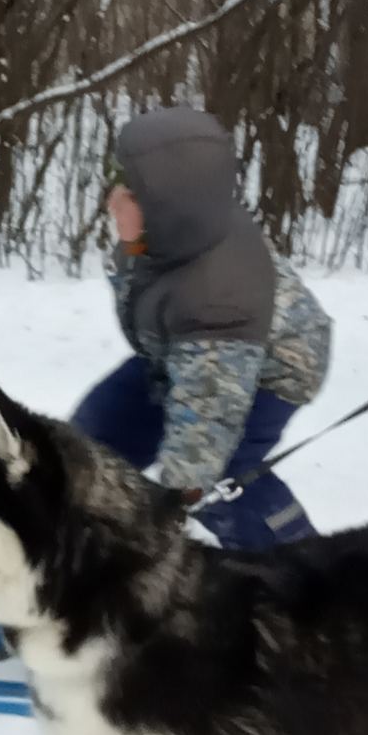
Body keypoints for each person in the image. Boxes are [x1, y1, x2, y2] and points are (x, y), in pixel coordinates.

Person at [71, 104, 331, 550]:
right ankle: (80, 543)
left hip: (274, 366)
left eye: (128, 194)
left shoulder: (216, 297)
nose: (111, 201)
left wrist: (177, 498)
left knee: (221, 480)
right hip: (180, 351)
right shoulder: (170, 235)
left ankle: (304, 576)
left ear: (165, 207)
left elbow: (204, 428)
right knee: (92, 443)